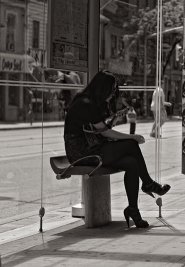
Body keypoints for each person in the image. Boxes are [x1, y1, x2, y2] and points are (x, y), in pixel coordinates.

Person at [63, 71, 170, 229]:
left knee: (132, 163)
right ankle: (147, 183)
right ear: (103, 89)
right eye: (112, 91)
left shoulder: (90, 101)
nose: (112, 94)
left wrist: (115, 121)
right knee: (131, 145)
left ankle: (133, 209)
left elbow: (100, 130)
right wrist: (131, 137)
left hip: (91, 148)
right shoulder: (85, 103)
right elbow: (105, 132)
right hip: (82, 152)